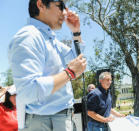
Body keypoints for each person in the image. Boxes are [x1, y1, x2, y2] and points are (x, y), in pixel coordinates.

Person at [8, 0, 86, 130]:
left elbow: (77, 62)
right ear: (41, 5)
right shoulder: (29, 36)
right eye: (60, 6)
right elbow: (28, 90)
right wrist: (69, 73)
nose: (65, 12)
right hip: (45, 122)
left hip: (59, 118)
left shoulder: (49, 38)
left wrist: (76, 32)